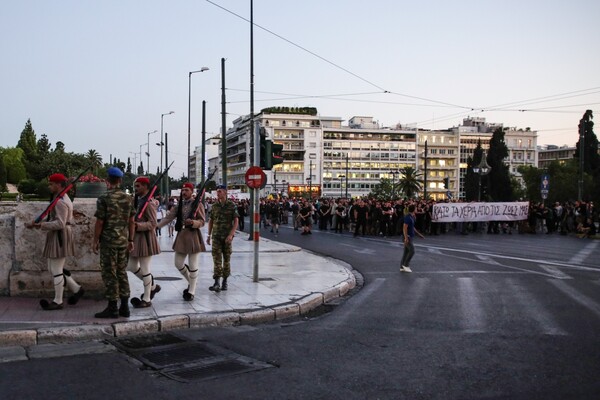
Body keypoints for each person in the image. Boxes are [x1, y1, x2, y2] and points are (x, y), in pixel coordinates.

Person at [25, 173, 85, 310]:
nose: (49, 186)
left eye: (51, 184)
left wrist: (40, 225)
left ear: (59, 185)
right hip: (57, 235)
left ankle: (58, 301)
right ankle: (76, 289)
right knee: (52, 268)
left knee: (56, 269)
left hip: (60, 235)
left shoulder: (60, 201)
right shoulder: (61, 198)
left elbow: (60, 223)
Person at [92, 167, 135, 318]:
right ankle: (125, 307)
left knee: (110, 273)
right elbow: (131, 221)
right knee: (122, 272)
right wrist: (131, 239)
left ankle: (112, 307)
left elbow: (100, 222)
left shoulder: (103, 198)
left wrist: (96, 240)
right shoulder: (128, 198)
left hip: (109, 242)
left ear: (107, 180)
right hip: (123, 241)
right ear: (120, 180)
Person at [157, 183, 206, 301]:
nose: (184, 192)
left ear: (192, 191)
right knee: (178, 263)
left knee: (193, 265)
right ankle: (191, 281)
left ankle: (191, 291)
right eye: (183, 190)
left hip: (193, 235)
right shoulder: (179, 205)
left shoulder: (197, 204)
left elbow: (202, 221)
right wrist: (157, 226)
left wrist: (193, 223)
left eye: (187, 190)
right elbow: (169, 218)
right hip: (182, 236)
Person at [127, 177, 162, 308]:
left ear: (146, 187)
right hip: (135, 238)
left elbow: (153, 223)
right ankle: (152, 286)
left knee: (145, 268)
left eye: (138, 186)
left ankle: (147, 298)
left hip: (146, 238)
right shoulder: (137, 200)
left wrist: (138, 225)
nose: (136, 189)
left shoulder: (149, 203)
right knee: (131, 266)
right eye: (135, 186)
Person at [206, 185, 239, 292]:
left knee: (227, 259)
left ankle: (225, 281)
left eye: (220, 191)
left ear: (225, 192)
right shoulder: (214, 206)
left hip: (227, 237)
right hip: (216, 236)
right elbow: (211, 221)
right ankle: (216, 282)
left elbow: (236, 221)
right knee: (216, 259)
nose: (218, 193)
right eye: (217, 191)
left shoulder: (231, 205)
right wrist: (208, 235)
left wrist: (231, 234)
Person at [400, 204, 425, 273]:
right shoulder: (408, 217)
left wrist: (419, 234)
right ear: (413, 209)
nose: (417, 209)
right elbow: (404, 227)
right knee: (412, 251)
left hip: (410, 236)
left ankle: (402, 266)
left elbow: (412, 227)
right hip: (408, 237)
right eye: (416, 208)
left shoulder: (412, 217)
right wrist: (406, 237)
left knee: (406, 252)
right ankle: (406, 265)